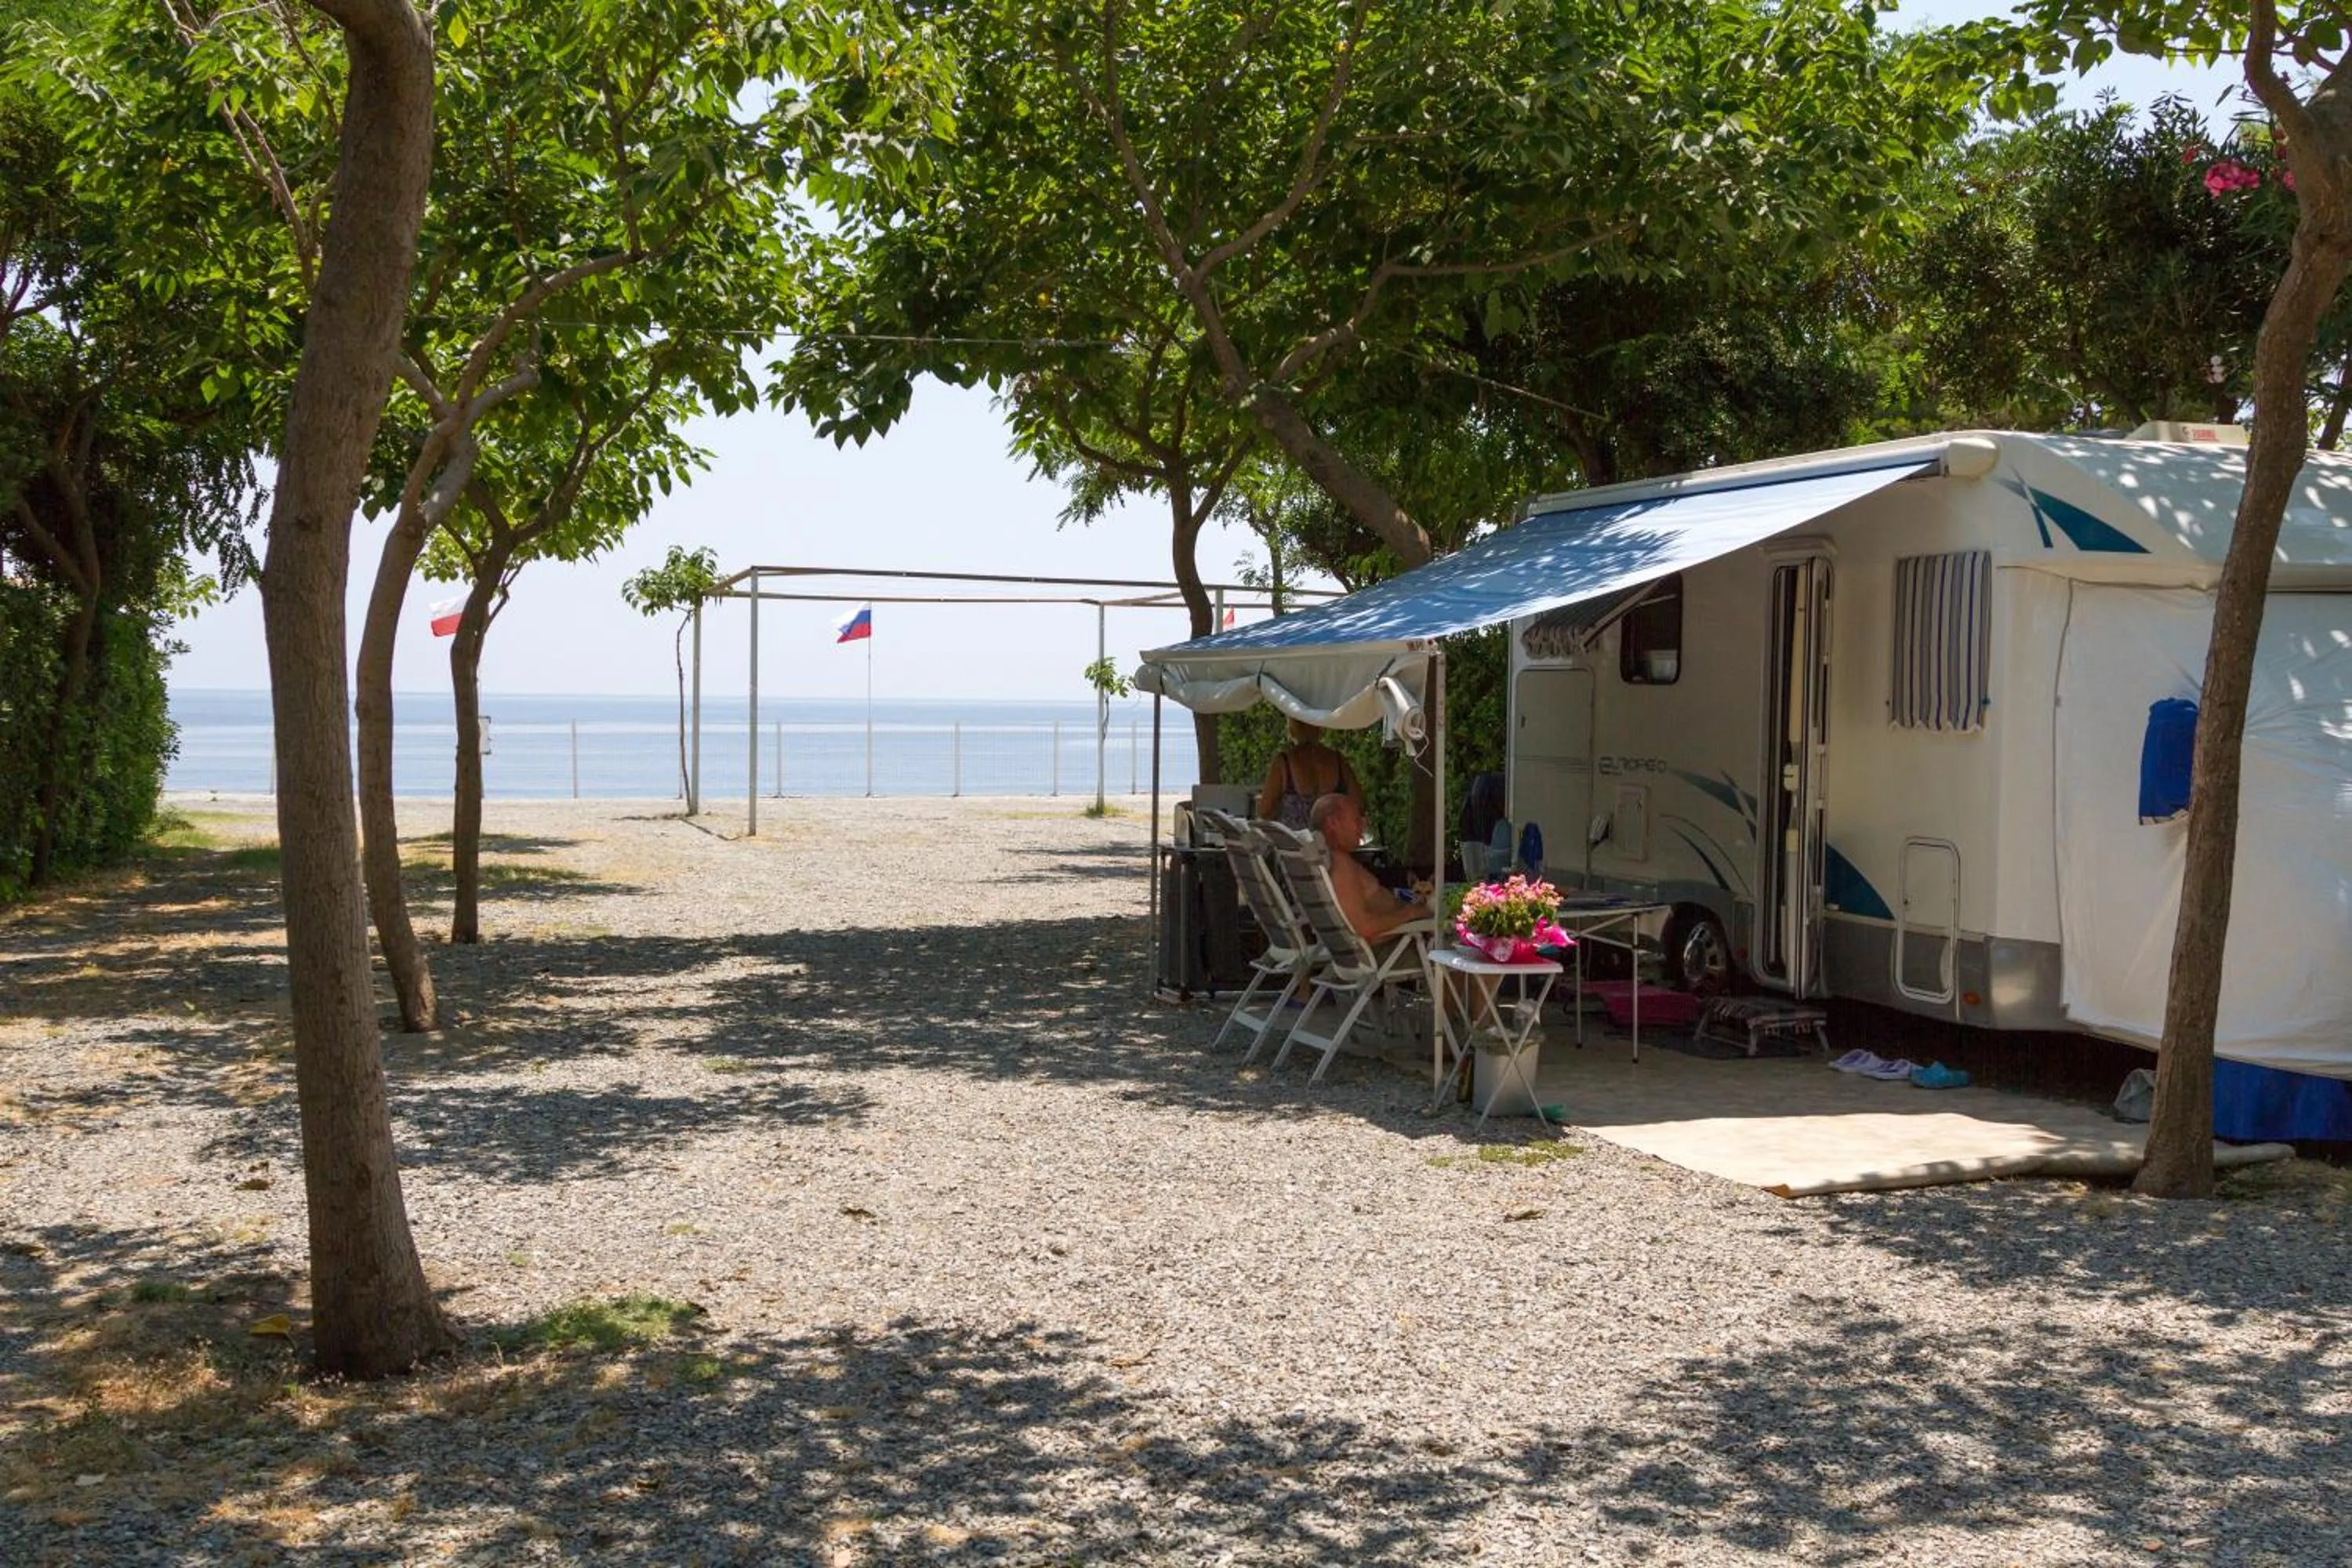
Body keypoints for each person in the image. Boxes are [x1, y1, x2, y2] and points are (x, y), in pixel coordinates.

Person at [1309, 793, 1421, 939]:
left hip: (1401, 939)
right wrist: (1412, 913)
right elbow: (1363, 927)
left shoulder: (1325, 861)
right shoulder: (1339, 865)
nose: (1364, 825)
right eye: (1356, 820)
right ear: (1334, 823)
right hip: (1396, 951)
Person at [1258, 717, 1363, 829]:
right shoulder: (1338, 761)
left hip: (1295, 843)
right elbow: (1359, 805)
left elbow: (1265, 811)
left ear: (1293, 727)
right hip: (1331, 843)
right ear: (1319, 726)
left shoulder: (1284, 762)